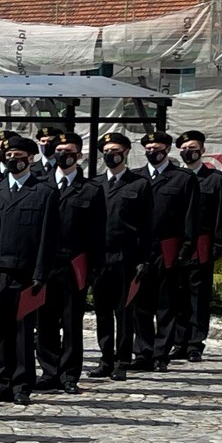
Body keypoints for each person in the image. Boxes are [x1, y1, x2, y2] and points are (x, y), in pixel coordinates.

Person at [0, 133, 52, 408]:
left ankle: (23, 384)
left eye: (19, 156)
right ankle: (1, 382)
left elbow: (48, 237)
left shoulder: (44, 192)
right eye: (9, 155)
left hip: (26, 274)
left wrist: (40, 273)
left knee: (24, 332)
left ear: (31, 159)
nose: (13, 160)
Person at [36, 130, 103, 394]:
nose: (65, 156)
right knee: (45, 321)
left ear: (79, 155)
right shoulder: (41, 185)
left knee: (72, 322)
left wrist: (95, 267)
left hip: (74, 264)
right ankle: (49, 370)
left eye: (70, 151)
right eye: (60, 151)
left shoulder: (90, 189)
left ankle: (69, 374)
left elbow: (97, 231)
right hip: (45, 264)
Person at [133, 127, 196, 373]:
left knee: (166, 304)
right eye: (148, 150)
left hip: (167, 247)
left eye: (157, 150)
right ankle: (143, 351)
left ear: (167, 150)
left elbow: (190, 217)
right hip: (141, 250)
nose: (152, 153)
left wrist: (185, 250)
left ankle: (161, 354)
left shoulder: (182, 178)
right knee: (140, 305)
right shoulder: (137, 178)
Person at [92, 131, 149, 382]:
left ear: (125, 153)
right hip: (100, 256)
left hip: (126, 256)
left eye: (115, 150)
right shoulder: (94, 184)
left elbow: (147, 225)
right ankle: (105, 358)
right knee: (102, 311)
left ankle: (123, 360)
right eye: (106, 151)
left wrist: (144, 259)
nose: (110, 155)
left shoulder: (138, 184)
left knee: (124, 311)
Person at [176, 131, 222, 361]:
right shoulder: (175, 178)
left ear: (202, 151)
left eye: (193, 147)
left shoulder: (215, 179)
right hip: (177, 245)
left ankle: (195, 343)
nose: (189, 151)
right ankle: (178, 341)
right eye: (185, 148)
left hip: (201, 243)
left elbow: (221, 213)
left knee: (198, 293)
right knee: (177, 293)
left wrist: (218, 242)